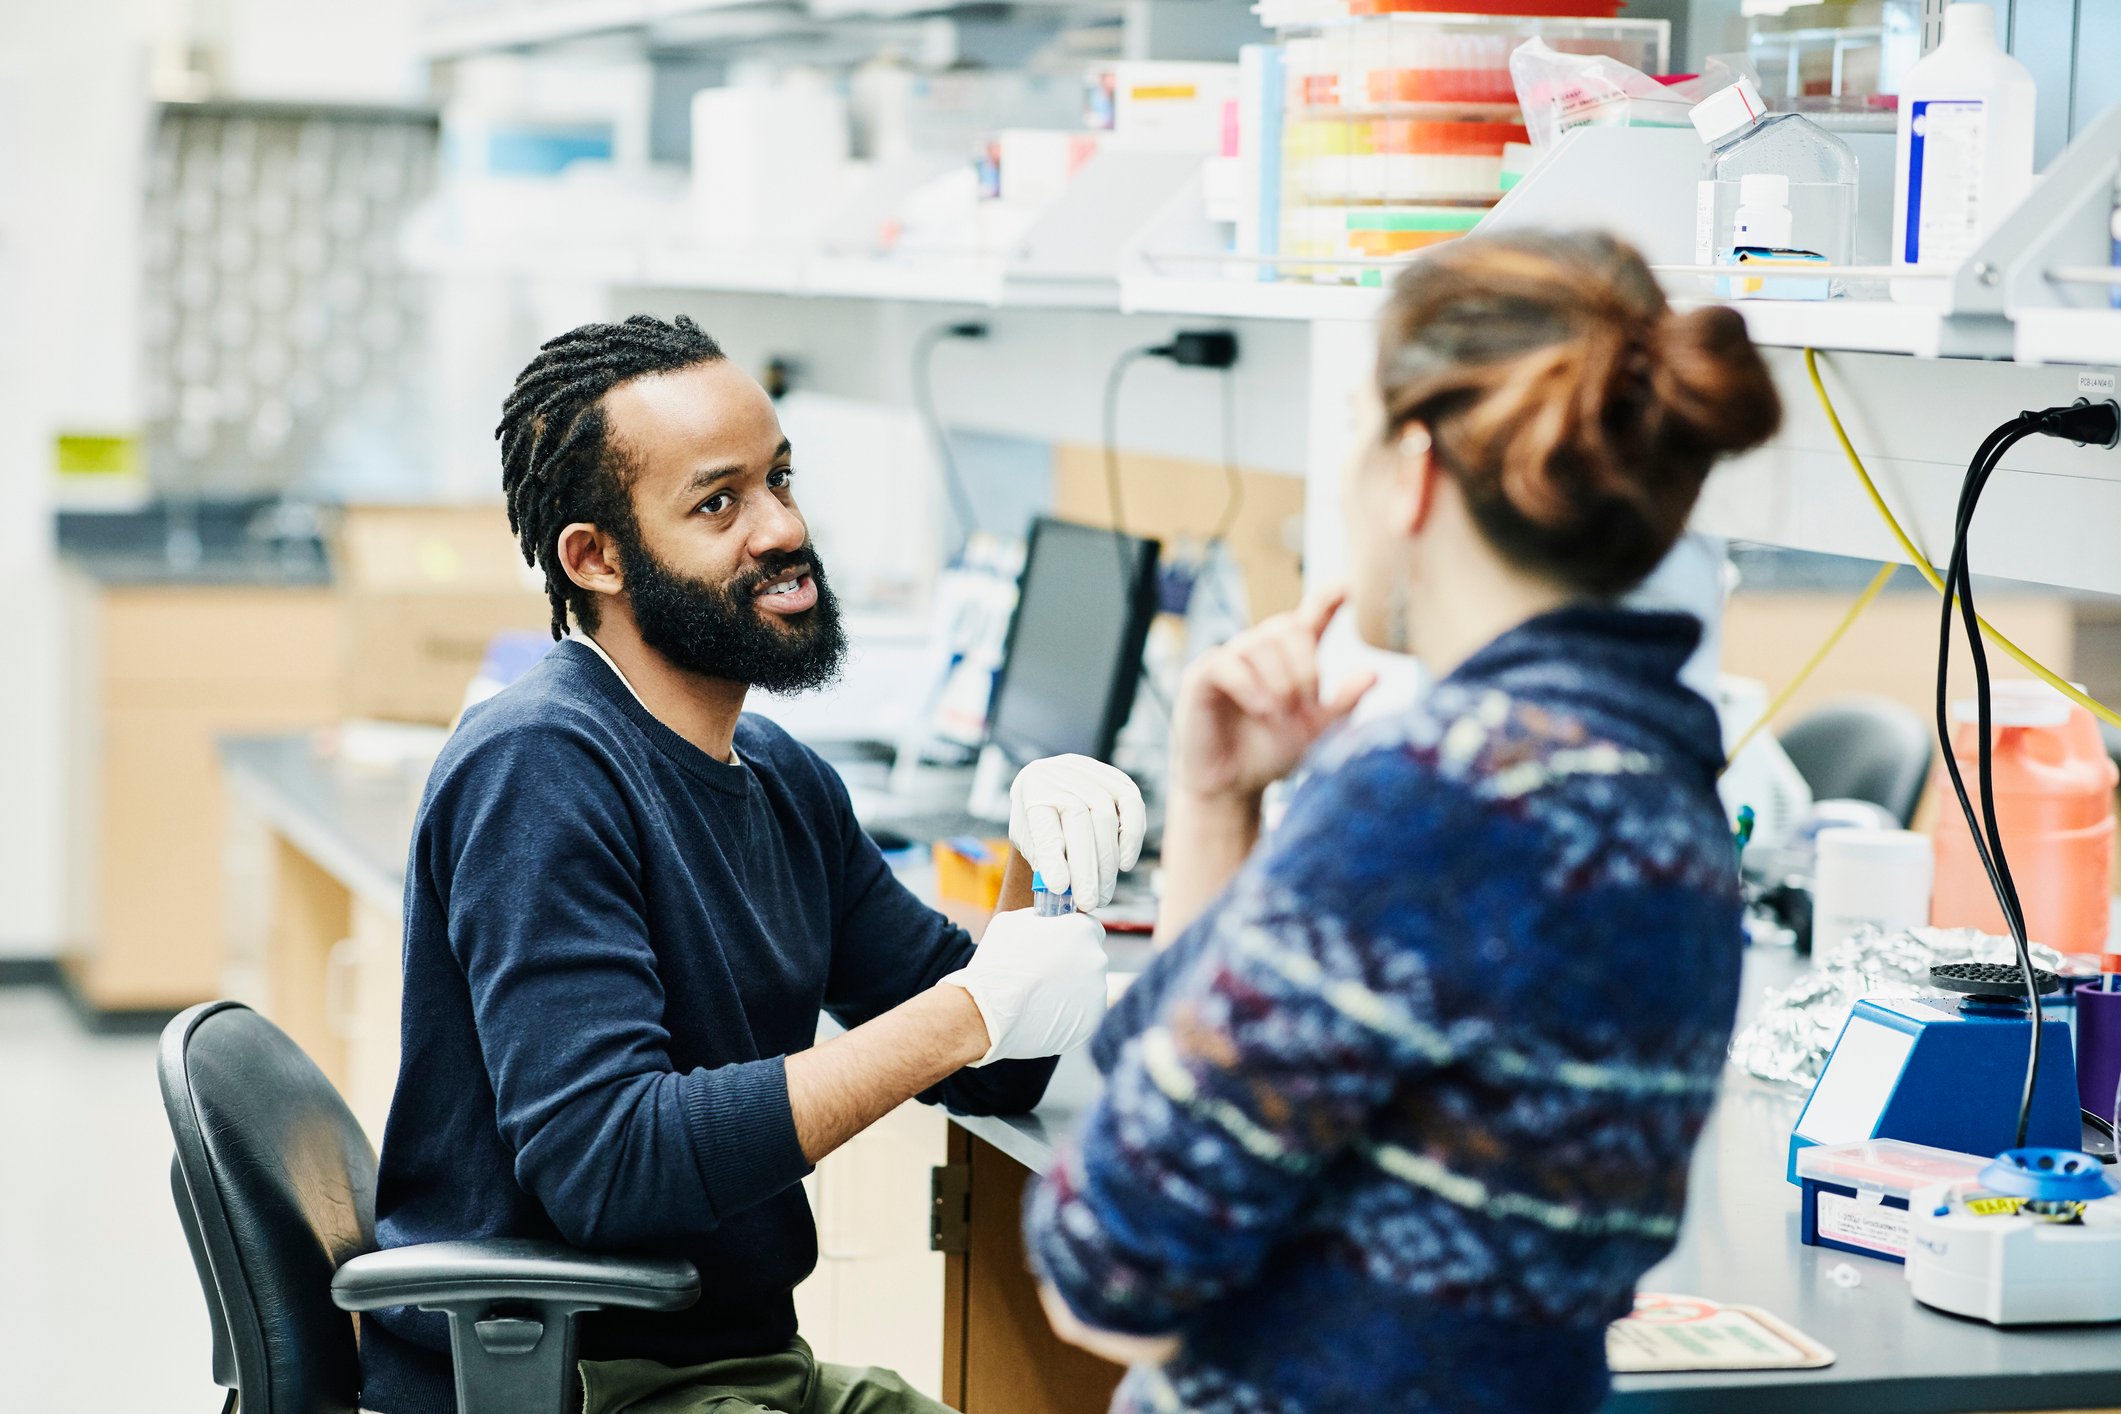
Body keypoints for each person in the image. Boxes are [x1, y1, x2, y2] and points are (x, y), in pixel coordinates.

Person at [1024, 231, 1783, 1414]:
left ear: (1412, 470)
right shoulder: (1662, 782)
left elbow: (1110, 1264)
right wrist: (1221, 804)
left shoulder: (1433, 798)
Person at [359, 314, 1146, 1414]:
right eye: (717, 502)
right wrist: (970, 1009)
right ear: (596, 558)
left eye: (780, 478)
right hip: (569, 1384)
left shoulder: (777, 777)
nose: (782, 528)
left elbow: (998, 1064)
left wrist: (1039, 871)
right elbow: (608, 1164)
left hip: (743, 1370)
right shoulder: (539, 768)